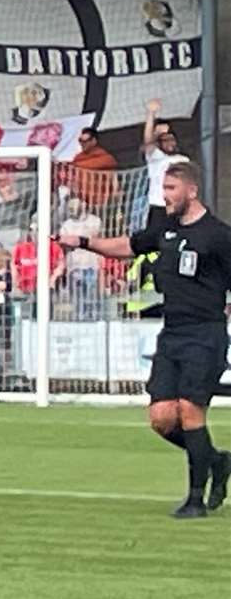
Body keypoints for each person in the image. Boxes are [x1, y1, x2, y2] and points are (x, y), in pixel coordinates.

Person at [60, 160, 231, 518]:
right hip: (172, 334)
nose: (166, 197)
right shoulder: (165, 228)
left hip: (205, 333)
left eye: (171, 190)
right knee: (162, 418)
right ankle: (216, 460)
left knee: (190, 409)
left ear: (191, 191)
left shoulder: (217, 235)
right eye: (164, 190)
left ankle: (195, 500)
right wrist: (84, 242)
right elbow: (129, 245)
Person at [142, 99, 187, 229]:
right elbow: (147, 141)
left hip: (176, 206)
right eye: (165, 140)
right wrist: (151, 114)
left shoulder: (182, 159)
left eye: (171, 139)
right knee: (153, 243)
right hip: (157, 206)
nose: (170, 143)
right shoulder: (155, 157)